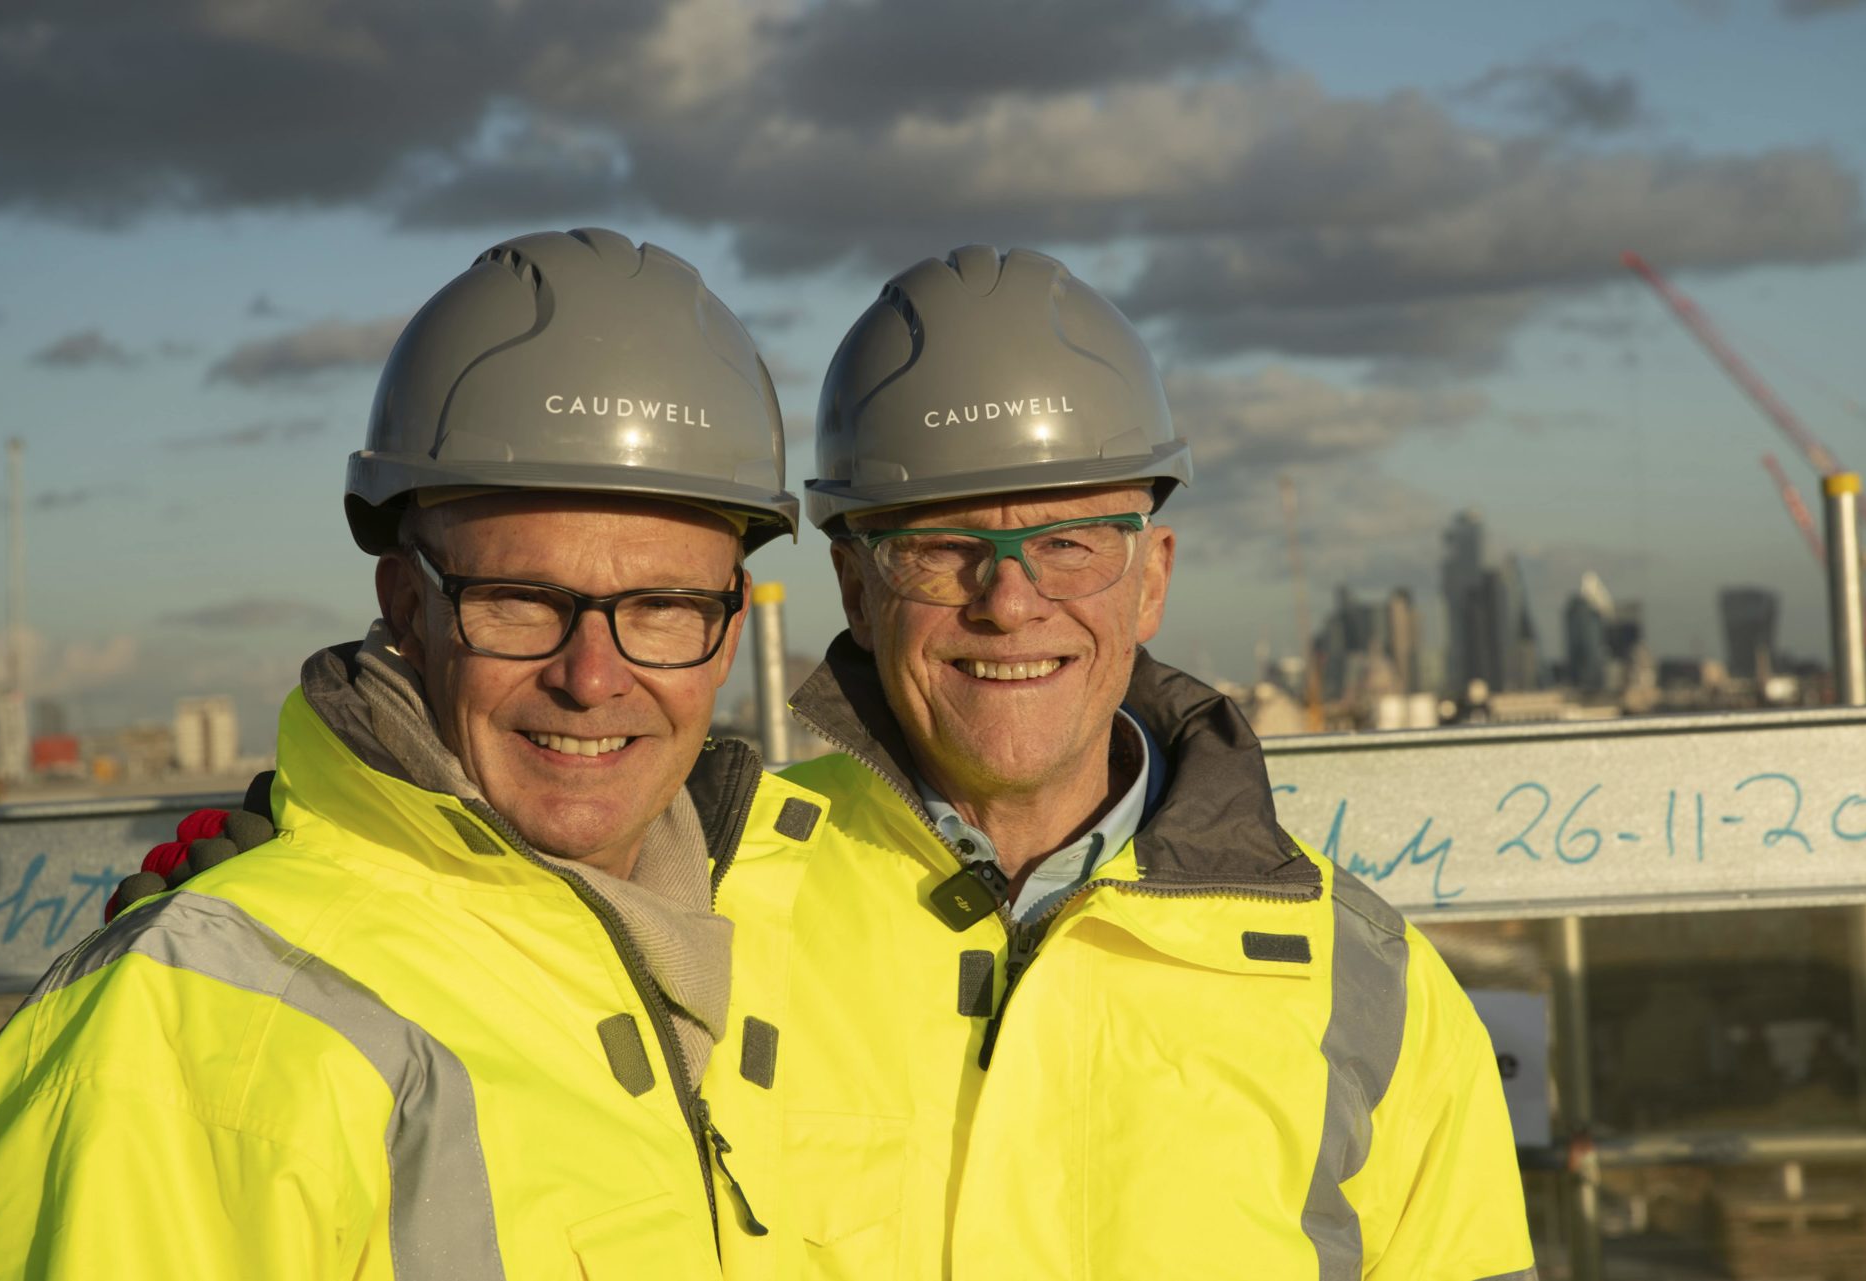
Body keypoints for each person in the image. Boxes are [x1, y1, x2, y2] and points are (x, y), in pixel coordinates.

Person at [81, 245, 1536, 1279]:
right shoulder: (696, 901)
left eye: (1071, 544)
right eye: (941, 547)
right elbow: (462, 910)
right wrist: (302, 865)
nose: (1011, 601)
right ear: (850, 580)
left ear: (1151, 578)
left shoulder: (1365, 991)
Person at [0, 228, 817, 1278]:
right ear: (407, 608)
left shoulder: (801, 929)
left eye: (661, 606)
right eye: (521, 600)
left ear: (730, 628)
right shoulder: (180, 1030)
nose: (592, 677)